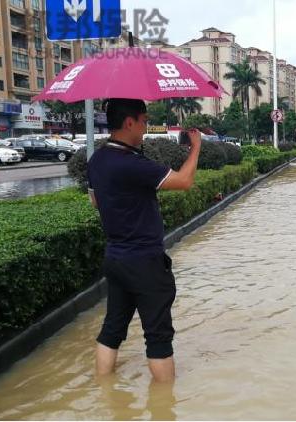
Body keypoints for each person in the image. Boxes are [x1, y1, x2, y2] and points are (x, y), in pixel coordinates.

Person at [87, 98, 202, 383]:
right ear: (129, 122)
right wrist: (196, 146)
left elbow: (95, 201)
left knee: (112, 328)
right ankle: (164, 405)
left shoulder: (96, 160)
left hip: (116, 257)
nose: (145, 127)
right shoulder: (132, 164)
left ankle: (105, 391)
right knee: (158, 335)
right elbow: (184, 181)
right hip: (145, 262)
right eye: (144, 121)